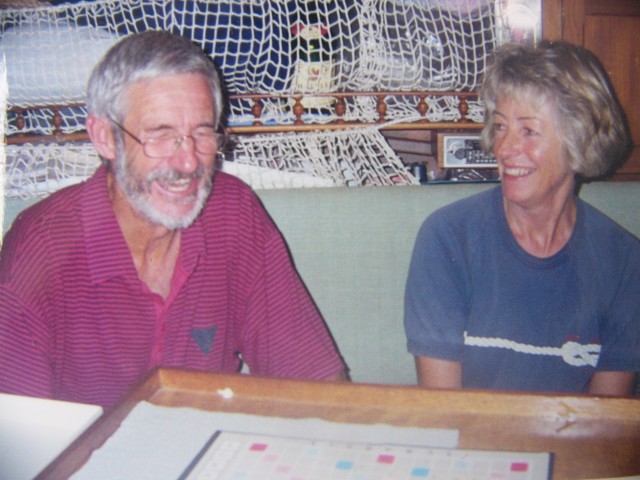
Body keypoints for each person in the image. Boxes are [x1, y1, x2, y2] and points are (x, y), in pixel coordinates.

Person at [0, 30, 347, 408]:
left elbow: (317, 385)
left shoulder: (232, 212)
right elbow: (19, 439)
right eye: (161, 136)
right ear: (103, 137)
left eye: (202, 133)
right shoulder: (41, 248)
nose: (188, 162)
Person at [404, 40, 640, 395]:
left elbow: (605, 423)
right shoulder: (448, 238)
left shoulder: (624, 262)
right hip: (476, 445)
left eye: (529, 131)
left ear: (579, 142)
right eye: (500, 127)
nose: (504, 148)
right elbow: (443, 409)